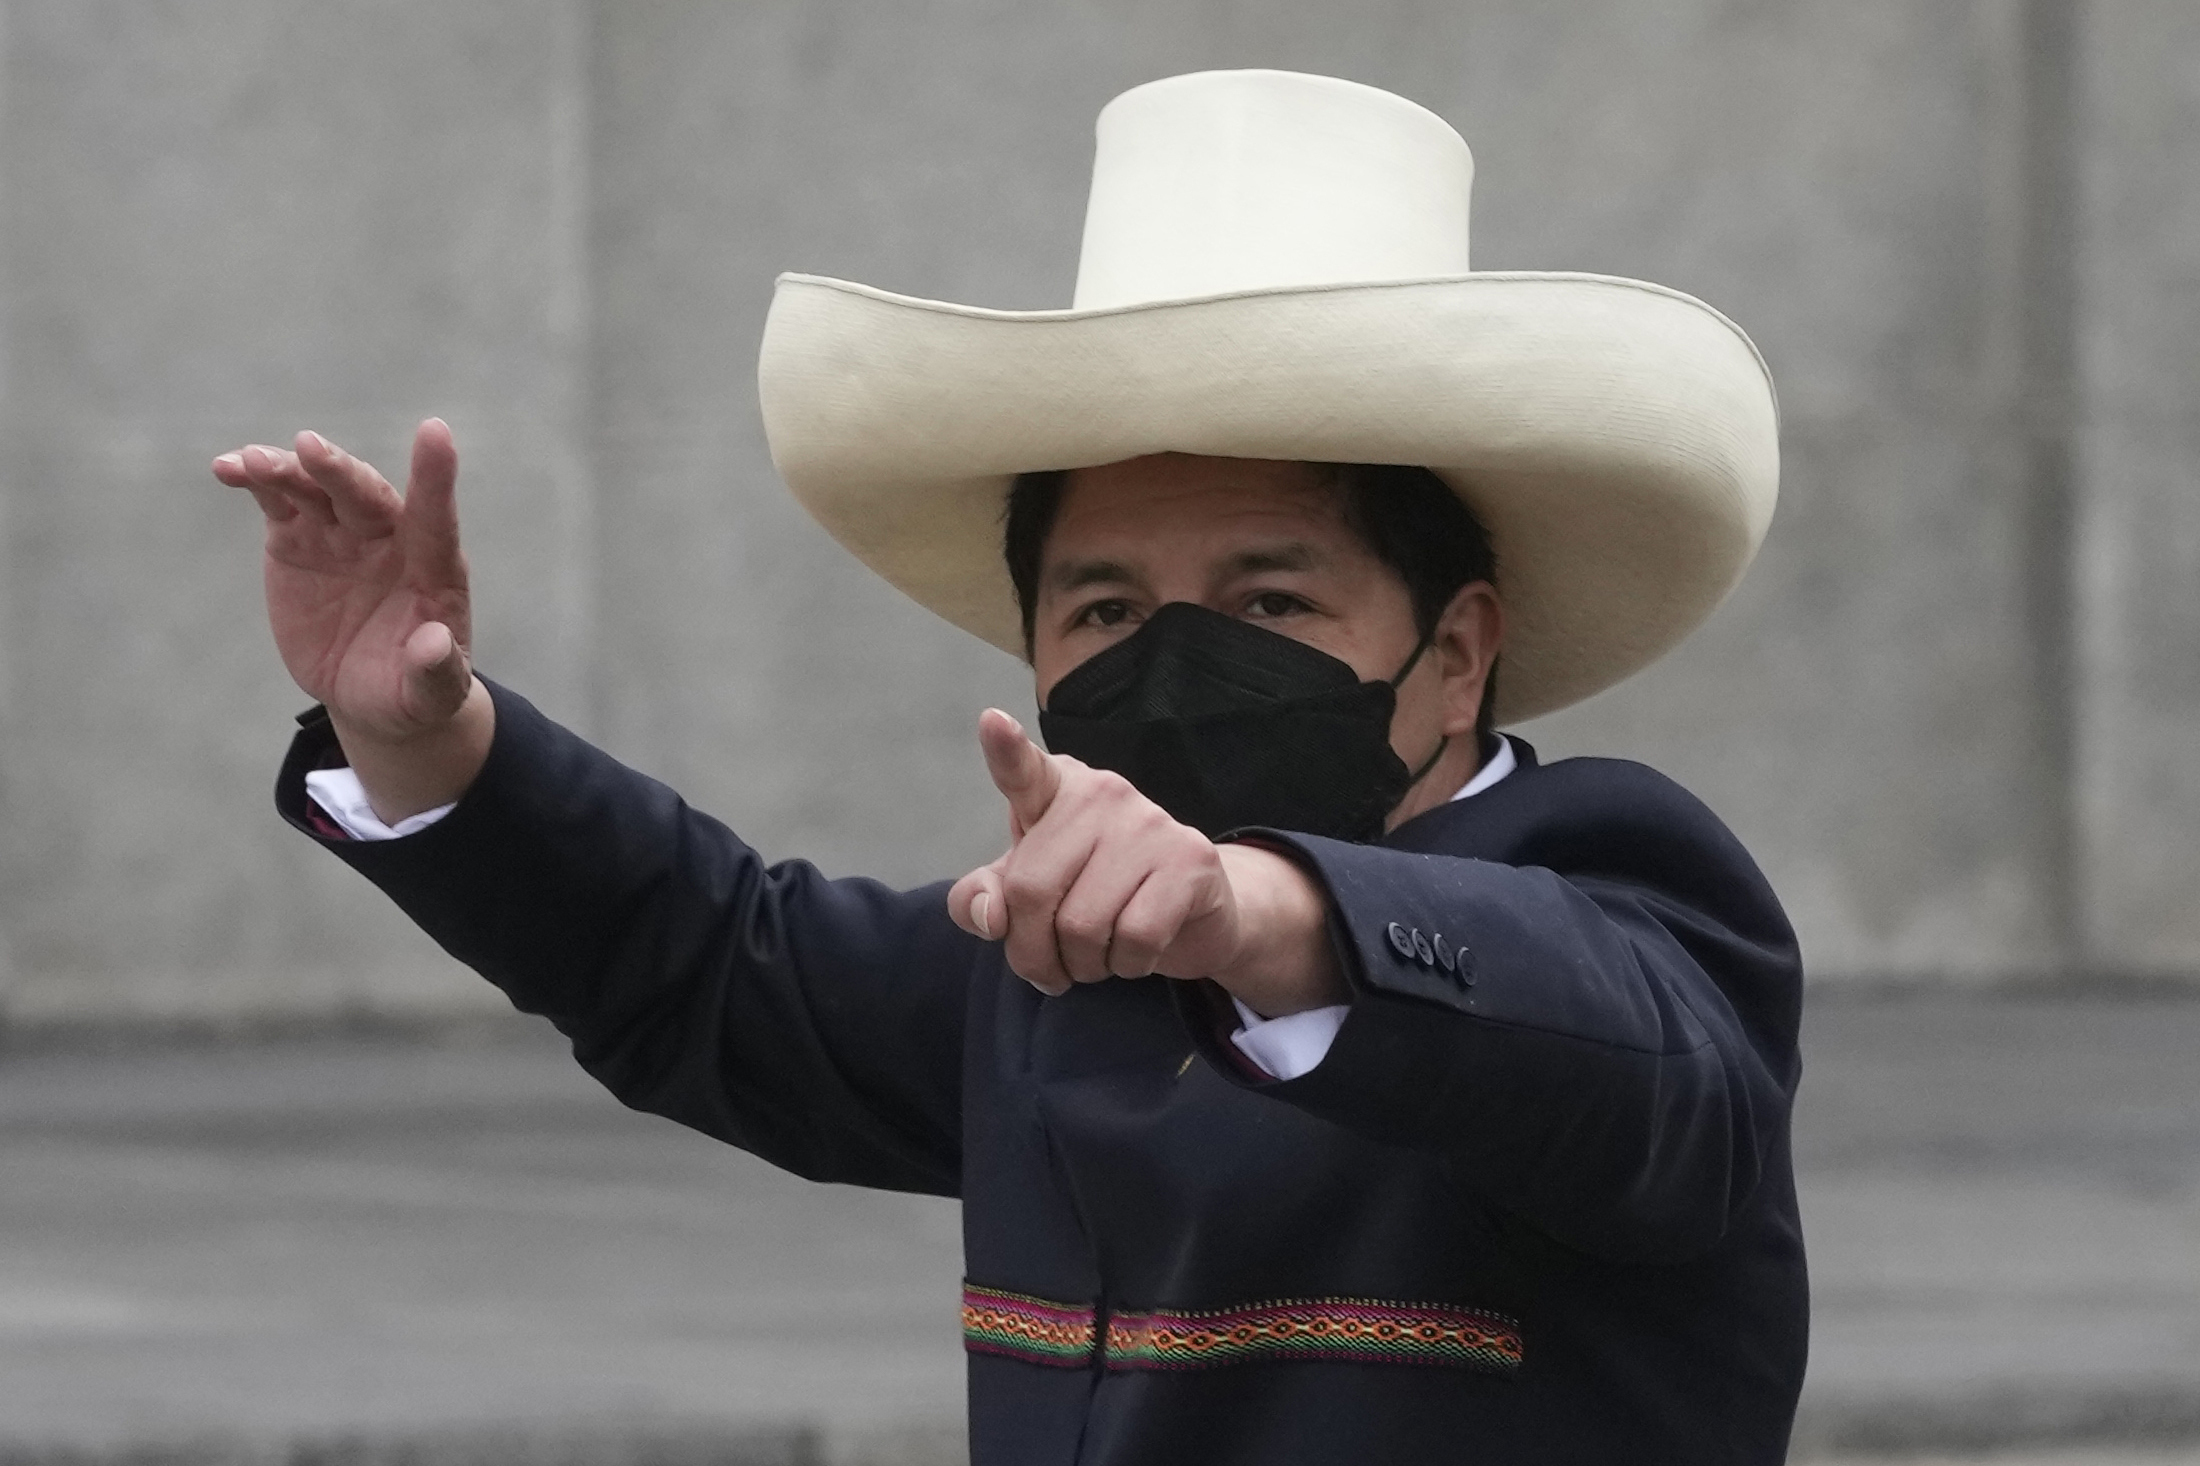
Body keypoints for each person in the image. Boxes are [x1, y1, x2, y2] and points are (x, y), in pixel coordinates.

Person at [214, 69, 1802, 1466]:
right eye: (1104, 611)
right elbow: (705, 964)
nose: (1173, 663)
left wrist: (1265, 912)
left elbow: (1636, 1058)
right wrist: (425, 737)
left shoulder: (1620, 880)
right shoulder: (1041, 961)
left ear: (1457, 650)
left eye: (1270, 601)